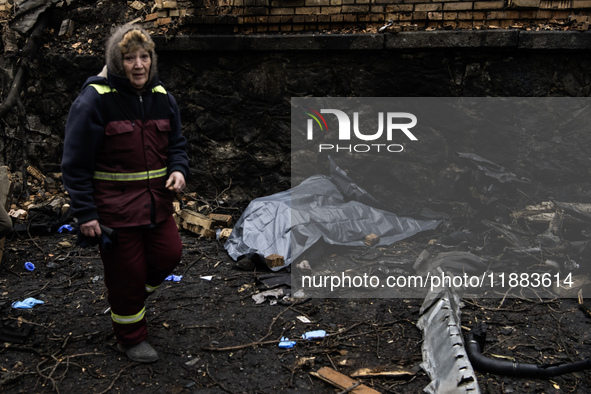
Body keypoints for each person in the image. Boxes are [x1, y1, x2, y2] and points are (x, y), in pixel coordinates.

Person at [61, 24, 189, 363]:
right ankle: (131, 337)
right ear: (116, 62)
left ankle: (129, 300)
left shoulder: (163, 97)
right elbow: (74, 163)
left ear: (152, 60)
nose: (138, 65)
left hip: (156, 206)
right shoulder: (94, 100)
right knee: (127, 275)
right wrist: (86, 213)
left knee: (169, 255)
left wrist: (178, 170)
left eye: (144, 57)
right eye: (129, 58)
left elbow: (176, 144)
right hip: (114, 211)